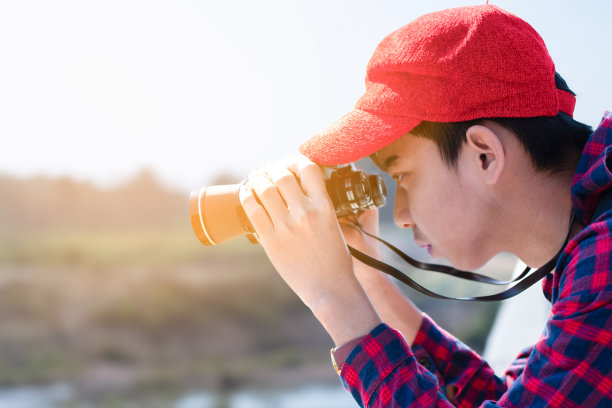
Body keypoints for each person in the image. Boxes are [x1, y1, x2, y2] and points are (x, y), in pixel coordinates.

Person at [238, 4, 612, 407]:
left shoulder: (605, 256)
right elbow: (522, 399)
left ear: (484, 155)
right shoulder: (587, 246)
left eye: (402, 176)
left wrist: (334, 300)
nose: (399, 215)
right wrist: (369, 281)